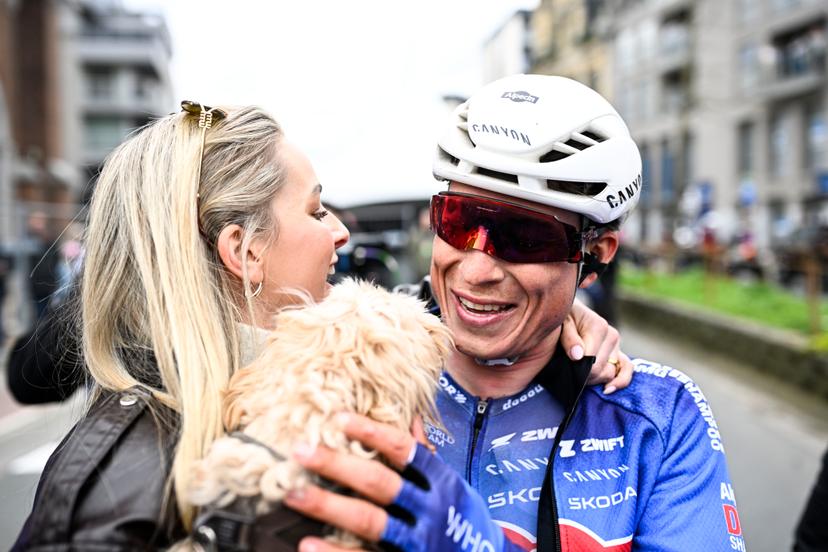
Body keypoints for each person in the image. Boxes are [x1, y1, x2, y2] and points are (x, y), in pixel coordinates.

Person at [12, 100, 627, 550]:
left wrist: (543, 303)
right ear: (244, 251)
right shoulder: (120, 490)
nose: (340, 231)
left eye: (524, 239)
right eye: (316, 209)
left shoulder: (283, 387)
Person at [283, 75, 744, 552]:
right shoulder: (339, 372)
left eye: (525, 237)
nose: (477, 268)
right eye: (459, 222)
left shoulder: (658, 417)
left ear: (595, 258)